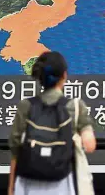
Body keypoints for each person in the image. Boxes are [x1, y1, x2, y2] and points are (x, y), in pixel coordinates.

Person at [8, 51, 96, 195]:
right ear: (64, 76)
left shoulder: (26, 106)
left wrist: (11, 188)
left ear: (40, 78)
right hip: (64, 184)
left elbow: (15, 150)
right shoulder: (75, 106)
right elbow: (90, 145)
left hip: (28, 184)